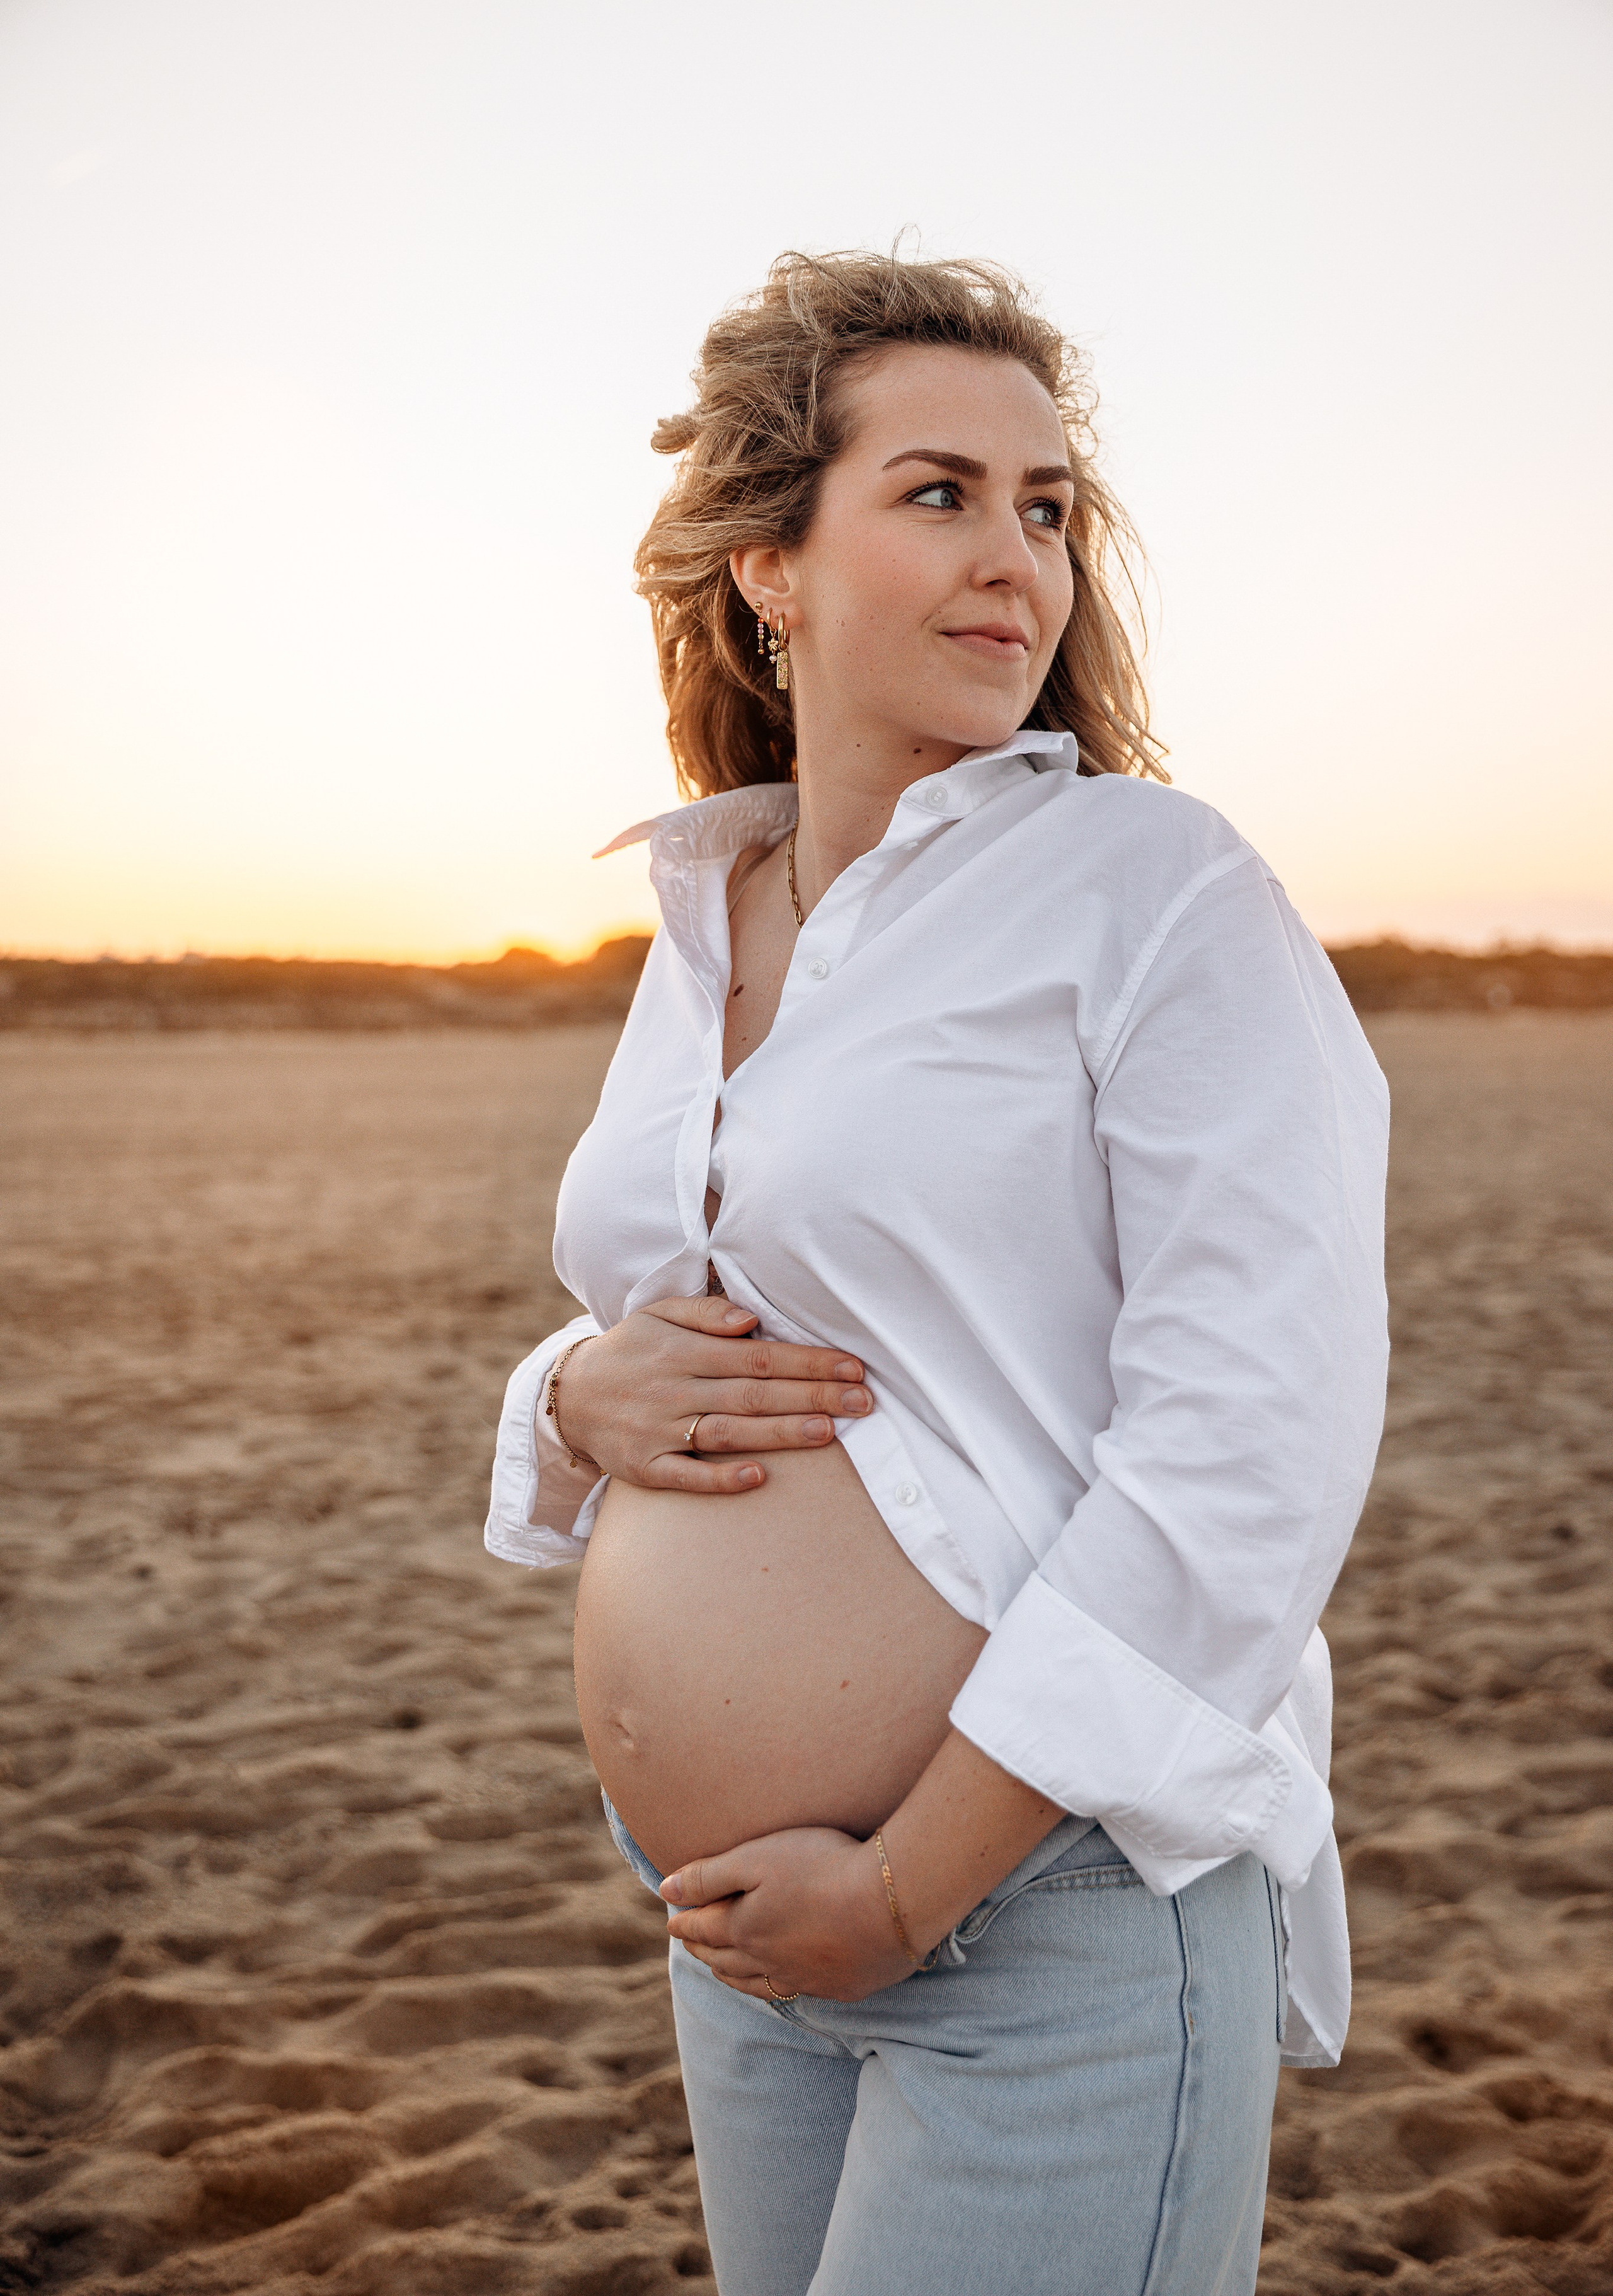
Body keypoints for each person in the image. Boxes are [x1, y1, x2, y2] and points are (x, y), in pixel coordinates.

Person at [486, 250, 1389, 2296]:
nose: (1018, 563)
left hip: (1035, 1909)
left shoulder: (1160, 893)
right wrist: (564, 1396)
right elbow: (742, 1302)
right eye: (938, 493)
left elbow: (1252, 1454)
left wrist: (907, 1883)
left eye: (1046, 506)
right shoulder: (708, 910)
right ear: (764, 567)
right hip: (737, 1929)